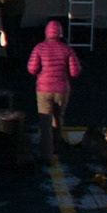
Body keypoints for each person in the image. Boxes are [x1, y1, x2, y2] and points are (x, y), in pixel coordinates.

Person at [26, 19, 82, 163]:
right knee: (58, 119)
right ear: (60, 34)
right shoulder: (67, 49)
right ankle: (56, 148)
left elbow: (32, 69)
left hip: (44, 90)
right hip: (62, 90)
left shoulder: (39, 48)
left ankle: (47, 155)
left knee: (45, 123)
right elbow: (75, 71)